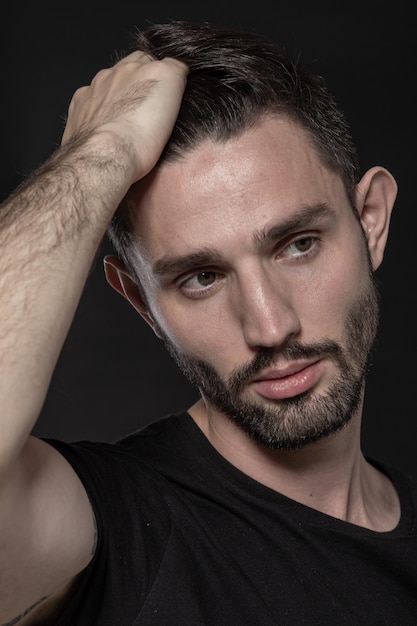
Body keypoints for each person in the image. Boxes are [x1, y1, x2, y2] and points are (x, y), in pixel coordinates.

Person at [0, 19, 415, 626]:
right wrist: (100, 150)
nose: (271, 327)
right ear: (143, 304)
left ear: (371, 222)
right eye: (202, 278)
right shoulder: (117, 533)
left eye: (298, 244)